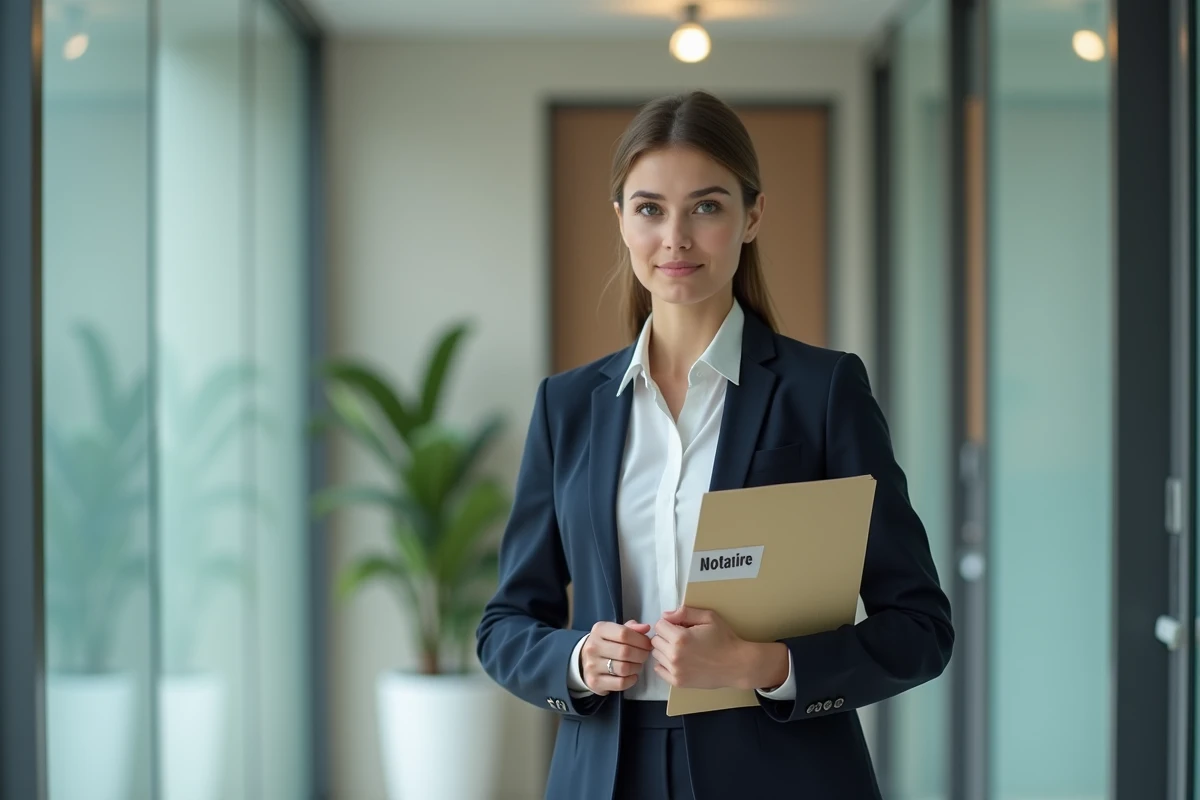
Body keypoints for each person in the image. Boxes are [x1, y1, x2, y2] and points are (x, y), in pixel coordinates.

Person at [476, 90, 953, 800]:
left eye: (706, 206)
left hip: (783, 773)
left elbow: (919, 628)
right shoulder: (567, 407)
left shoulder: (823, 391)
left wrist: (763, 664)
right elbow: (505, 624)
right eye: (649, 209)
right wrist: (576, 658)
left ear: (751, 216)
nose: (675, 238)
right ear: (620, 220)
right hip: (605, 771)